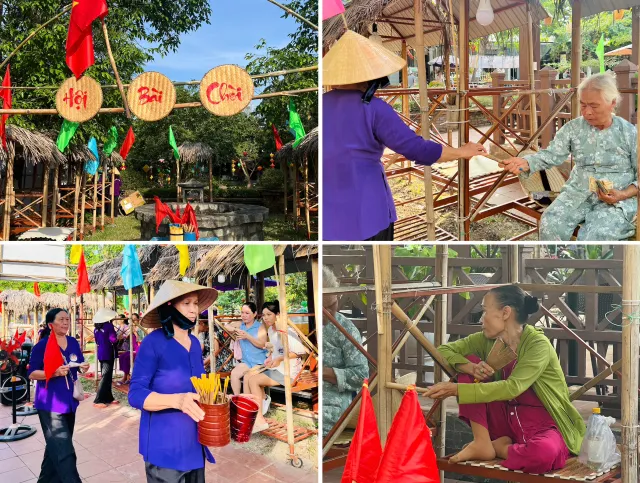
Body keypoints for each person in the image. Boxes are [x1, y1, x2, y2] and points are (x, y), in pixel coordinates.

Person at [323, 29, 487, 241]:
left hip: (329, 221)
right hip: (367, 214)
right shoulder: (373, 108)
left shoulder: (322, 105)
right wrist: (462, 151)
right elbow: (416, 149)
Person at [424, 285, 586, 474]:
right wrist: (472, 368)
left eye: (484, 311)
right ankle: (482, 443)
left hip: (543, 426)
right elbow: (444, 350)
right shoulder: (486, 340)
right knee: (470, 363)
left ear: (505, 312)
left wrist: (456, 389)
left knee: (543, 454)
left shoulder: (537, 344)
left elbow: (512, 387)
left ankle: (501, 448)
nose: (480, 319)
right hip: (505, 421)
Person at [502, 73, 638, 240]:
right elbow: (552, 154)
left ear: (612, 103)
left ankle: (587, 266)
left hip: (616, 199)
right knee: (550, 224)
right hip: (578, 192)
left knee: (595, 236)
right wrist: (526, 162)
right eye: (583, 105)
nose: (587, 112)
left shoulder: (629, 132)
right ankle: (554, 265)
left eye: (594, 106)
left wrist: (623, 194)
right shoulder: (573, 128)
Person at [129, 280, 218, 483]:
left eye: (195, 303)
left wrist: (227, 399)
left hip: (194, 444)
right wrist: (177, 401)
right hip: (164, 448)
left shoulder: (195, 344)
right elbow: (135, 394)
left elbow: (201, 387)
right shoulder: (153, 343)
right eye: (186, 303)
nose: (193, 309)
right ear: (169, 307)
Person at [28, 308, 91, 483]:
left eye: (67, 319)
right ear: (51, 324)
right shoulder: (42, 345)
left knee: (55, 449)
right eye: (61, 319)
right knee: (65, 453)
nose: (65, 322)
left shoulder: (72, 342)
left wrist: (82, 366)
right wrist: (54, 372)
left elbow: (76, 363)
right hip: (50, 406)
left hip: (69, 403)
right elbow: (32, 373)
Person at [244, 301, 309, 433]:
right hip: (277, 368)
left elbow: (301, 352)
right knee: (249, 376)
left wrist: (279, 358)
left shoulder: (287, 330)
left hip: (289, 371)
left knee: (254, 380)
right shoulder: (271, 331)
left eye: (269, 314)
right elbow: (277, 351)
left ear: (278, 315)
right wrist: (270, 358)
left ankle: (259, 418)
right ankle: (260, 406)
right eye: (263, 315)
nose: (265, 318)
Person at [322, 266, 369, 438]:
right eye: (323, 308)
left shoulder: (345, 328)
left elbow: (361, 375)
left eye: (333, 305)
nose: (330, 313)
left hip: (334, 398)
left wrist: (324, 373)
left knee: (325, 417)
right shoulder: (303, 324)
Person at [225, 302, 268, 395]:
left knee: (246, 378)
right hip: (246, 362)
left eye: (247, 313)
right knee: (234, 374)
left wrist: (247, 336)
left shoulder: (260, 327)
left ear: (255, 314)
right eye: (242, 312)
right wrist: (235, 329)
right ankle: (237, 399)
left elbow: (262, 345)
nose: (244, 315)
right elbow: (226, 326)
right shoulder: (241, 325)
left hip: (259, 361)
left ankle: (249, 403)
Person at [93, 308, 119, 408]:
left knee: (107, 376)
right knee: (105, 376)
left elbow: (97, 342)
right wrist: (118, 338)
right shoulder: (109, 326)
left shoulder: (96, 328)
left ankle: (109, 397)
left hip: (101, 353)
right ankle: (99, 399)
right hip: (108, 352)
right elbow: (113, 339)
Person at [117, 316, 138, 386]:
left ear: (138, 319)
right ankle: (127, 375)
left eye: (134, 319)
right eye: (131, 319)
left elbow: (139, 340)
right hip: (133, 348)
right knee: (122, 356)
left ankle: (125, 377)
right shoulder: (130, 328)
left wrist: (135, 333)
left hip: (139, 349)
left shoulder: (140, 328)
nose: (132, 321)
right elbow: (122, 337)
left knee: (127, 357)